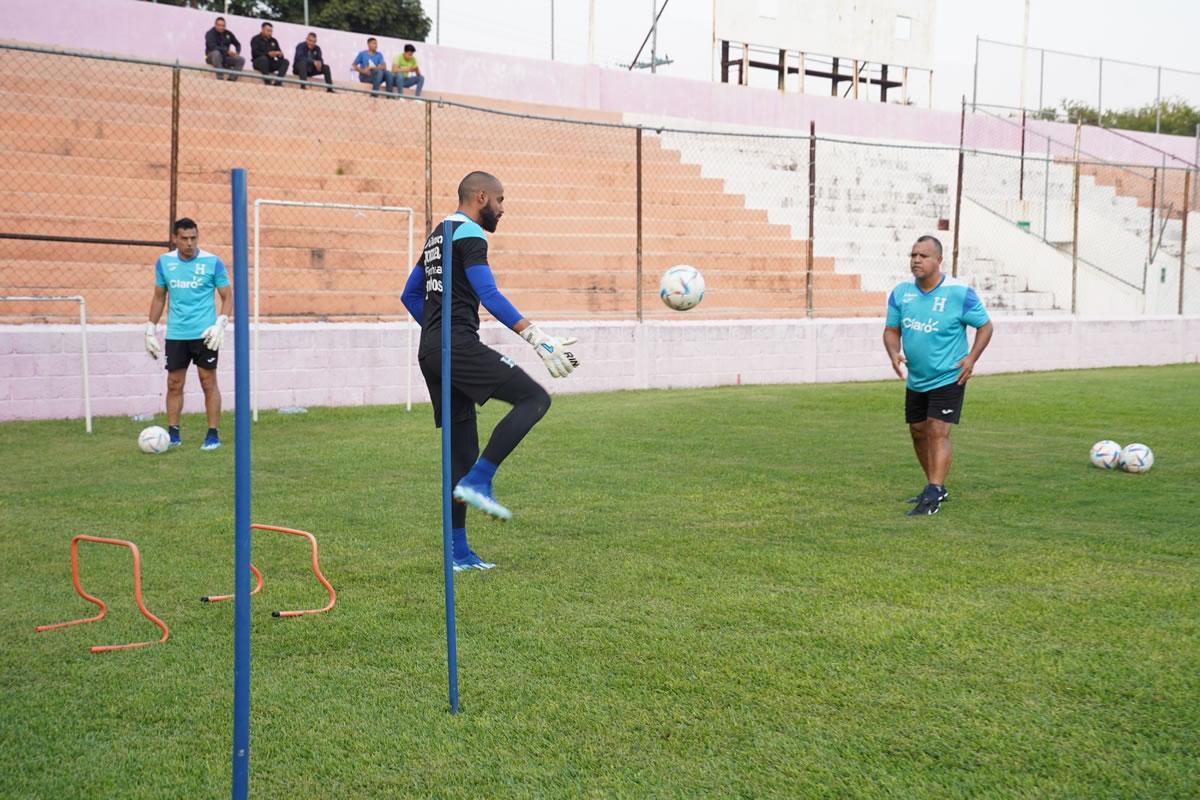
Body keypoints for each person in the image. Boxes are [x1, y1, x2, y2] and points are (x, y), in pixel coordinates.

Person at [401, 171, 580, 571]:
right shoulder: (470, 235)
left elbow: (409, 294)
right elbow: (489, 294)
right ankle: (481, 479)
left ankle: (459, 554)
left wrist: (435, 333)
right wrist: (535, 337)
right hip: (456, 347)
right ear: (481, 197)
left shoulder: (438, 235)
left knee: (461, 448)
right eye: (500, 201)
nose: (502, 209)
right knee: (534, 398)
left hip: (433, 351)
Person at [883, 236, 994, 516]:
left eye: (923, 255)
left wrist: (971, 359)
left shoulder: (959, 293)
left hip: (949, 376)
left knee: (937, 429)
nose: (916, 260)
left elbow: (985, 326)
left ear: (939, 260)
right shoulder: (901, 293)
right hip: (917, 378)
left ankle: (933, 492)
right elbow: (891, 330)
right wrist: (894, 352)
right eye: (913, 255)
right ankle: (934, 485)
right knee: (918, 432)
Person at [145, 218, 232, 451]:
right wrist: (150, 329)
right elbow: (159, 296)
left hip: (205, 334)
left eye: (194, 238)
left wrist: (220, 323)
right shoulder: (164, 263)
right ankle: (173, 434)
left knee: (208, 382)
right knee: (174, 383)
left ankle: (212, 434)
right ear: (175, 238)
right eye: (184, 238)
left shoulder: (213, 262)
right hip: (176, 334)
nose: (190, 243)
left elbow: (227, 296)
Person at [250, 22, 288, 86]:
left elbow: (279, 53)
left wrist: (280, 55)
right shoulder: (255, 39)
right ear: (262, 29)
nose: (270, 33)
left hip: (271, 62)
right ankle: (268, 81)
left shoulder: (274, 41)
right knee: (264, 59)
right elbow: (255, 53)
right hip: (258, 62)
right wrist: (268, 54)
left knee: (285, 62)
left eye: (271, 31)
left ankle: (278, 82)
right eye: (268, 31)